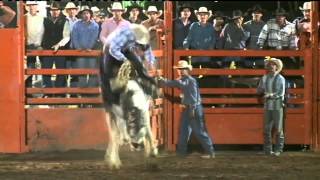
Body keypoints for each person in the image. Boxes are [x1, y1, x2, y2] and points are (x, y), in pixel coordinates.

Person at [157, 60, 215, 159]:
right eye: (179, 69)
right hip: (190, 108)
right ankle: (181, 153)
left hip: (193, 108)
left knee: (199, 131)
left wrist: (161, 80)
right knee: (185, 131)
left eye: (181, 69)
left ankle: (210, 152)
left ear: (186, 70)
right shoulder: (187, 80)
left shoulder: (188, 80)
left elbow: (175, 83)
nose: (179, 71)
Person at [100, 23, 157, 108]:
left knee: (139, 66)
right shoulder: (126, 35)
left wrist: (151, 62)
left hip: (126, 49)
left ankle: (151, 89)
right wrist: (125, 60)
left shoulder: (142, 34)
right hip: (110, 49)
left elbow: (147, 49)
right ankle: (112, 102)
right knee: (109, 74)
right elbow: (113, 49)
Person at [257, 57, 286, 157]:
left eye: (273, 64)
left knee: (278, 129)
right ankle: (268, 150)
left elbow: (280, 93)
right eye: (270, 64)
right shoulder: (264, 78)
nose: (271, 66)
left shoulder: (280, 78)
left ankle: (278, 149)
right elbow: (260, 89)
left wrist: (269, 95)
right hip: (268, 106)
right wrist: (260, 92)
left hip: (277, 106)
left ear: (277, 67)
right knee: (266, 129)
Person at [71, 6, 99, 89]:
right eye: (84, 13)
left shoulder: (95, 26)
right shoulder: (76, 25)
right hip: (80, 52)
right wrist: (78, 48)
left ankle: (90, 92)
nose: (86, 15)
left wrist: (89, 48)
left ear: (90, 15)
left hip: (91, 52)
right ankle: (82, 92)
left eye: (87, 13)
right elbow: (74, 37)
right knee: (81, 72)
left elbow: (94, 38)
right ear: (81, 15)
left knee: (92, 72)